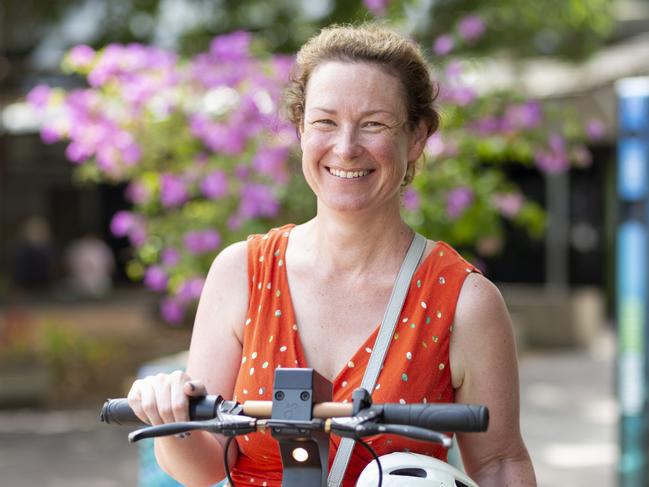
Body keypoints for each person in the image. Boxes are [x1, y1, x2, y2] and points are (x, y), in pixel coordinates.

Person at [127, 24, 536, 487]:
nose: (346, 147)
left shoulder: (464, 301)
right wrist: (170, 417)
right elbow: (202, 468)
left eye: (374, 124)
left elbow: (500, 463)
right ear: (301, 129)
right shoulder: (241, 273)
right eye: (325, 122)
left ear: (418, 136)